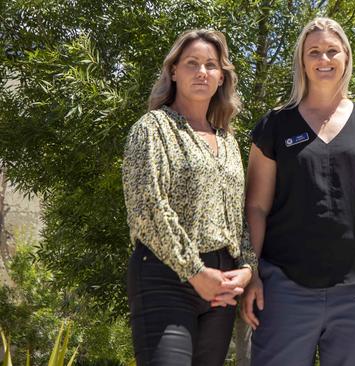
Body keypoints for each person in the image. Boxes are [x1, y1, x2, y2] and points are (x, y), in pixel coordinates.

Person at [241, 17, 355, 366]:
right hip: (285, 289)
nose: (324, 59)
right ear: (302, 61)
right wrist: (252, 271)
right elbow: (256, 207)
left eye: (332, 51)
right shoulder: (274, 126)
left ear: (346, 57)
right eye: (314, 51)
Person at [122, 29, 256, 366]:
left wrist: (247, 268)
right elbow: (148, 208)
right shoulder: (153, 128)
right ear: (173, 71)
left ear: (221, 77)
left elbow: (241, 212)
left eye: (211, 65)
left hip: (222, 283)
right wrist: (195, 271)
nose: (201, 72)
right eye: (191, 63)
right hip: (167, 277)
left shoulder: (227, 142)